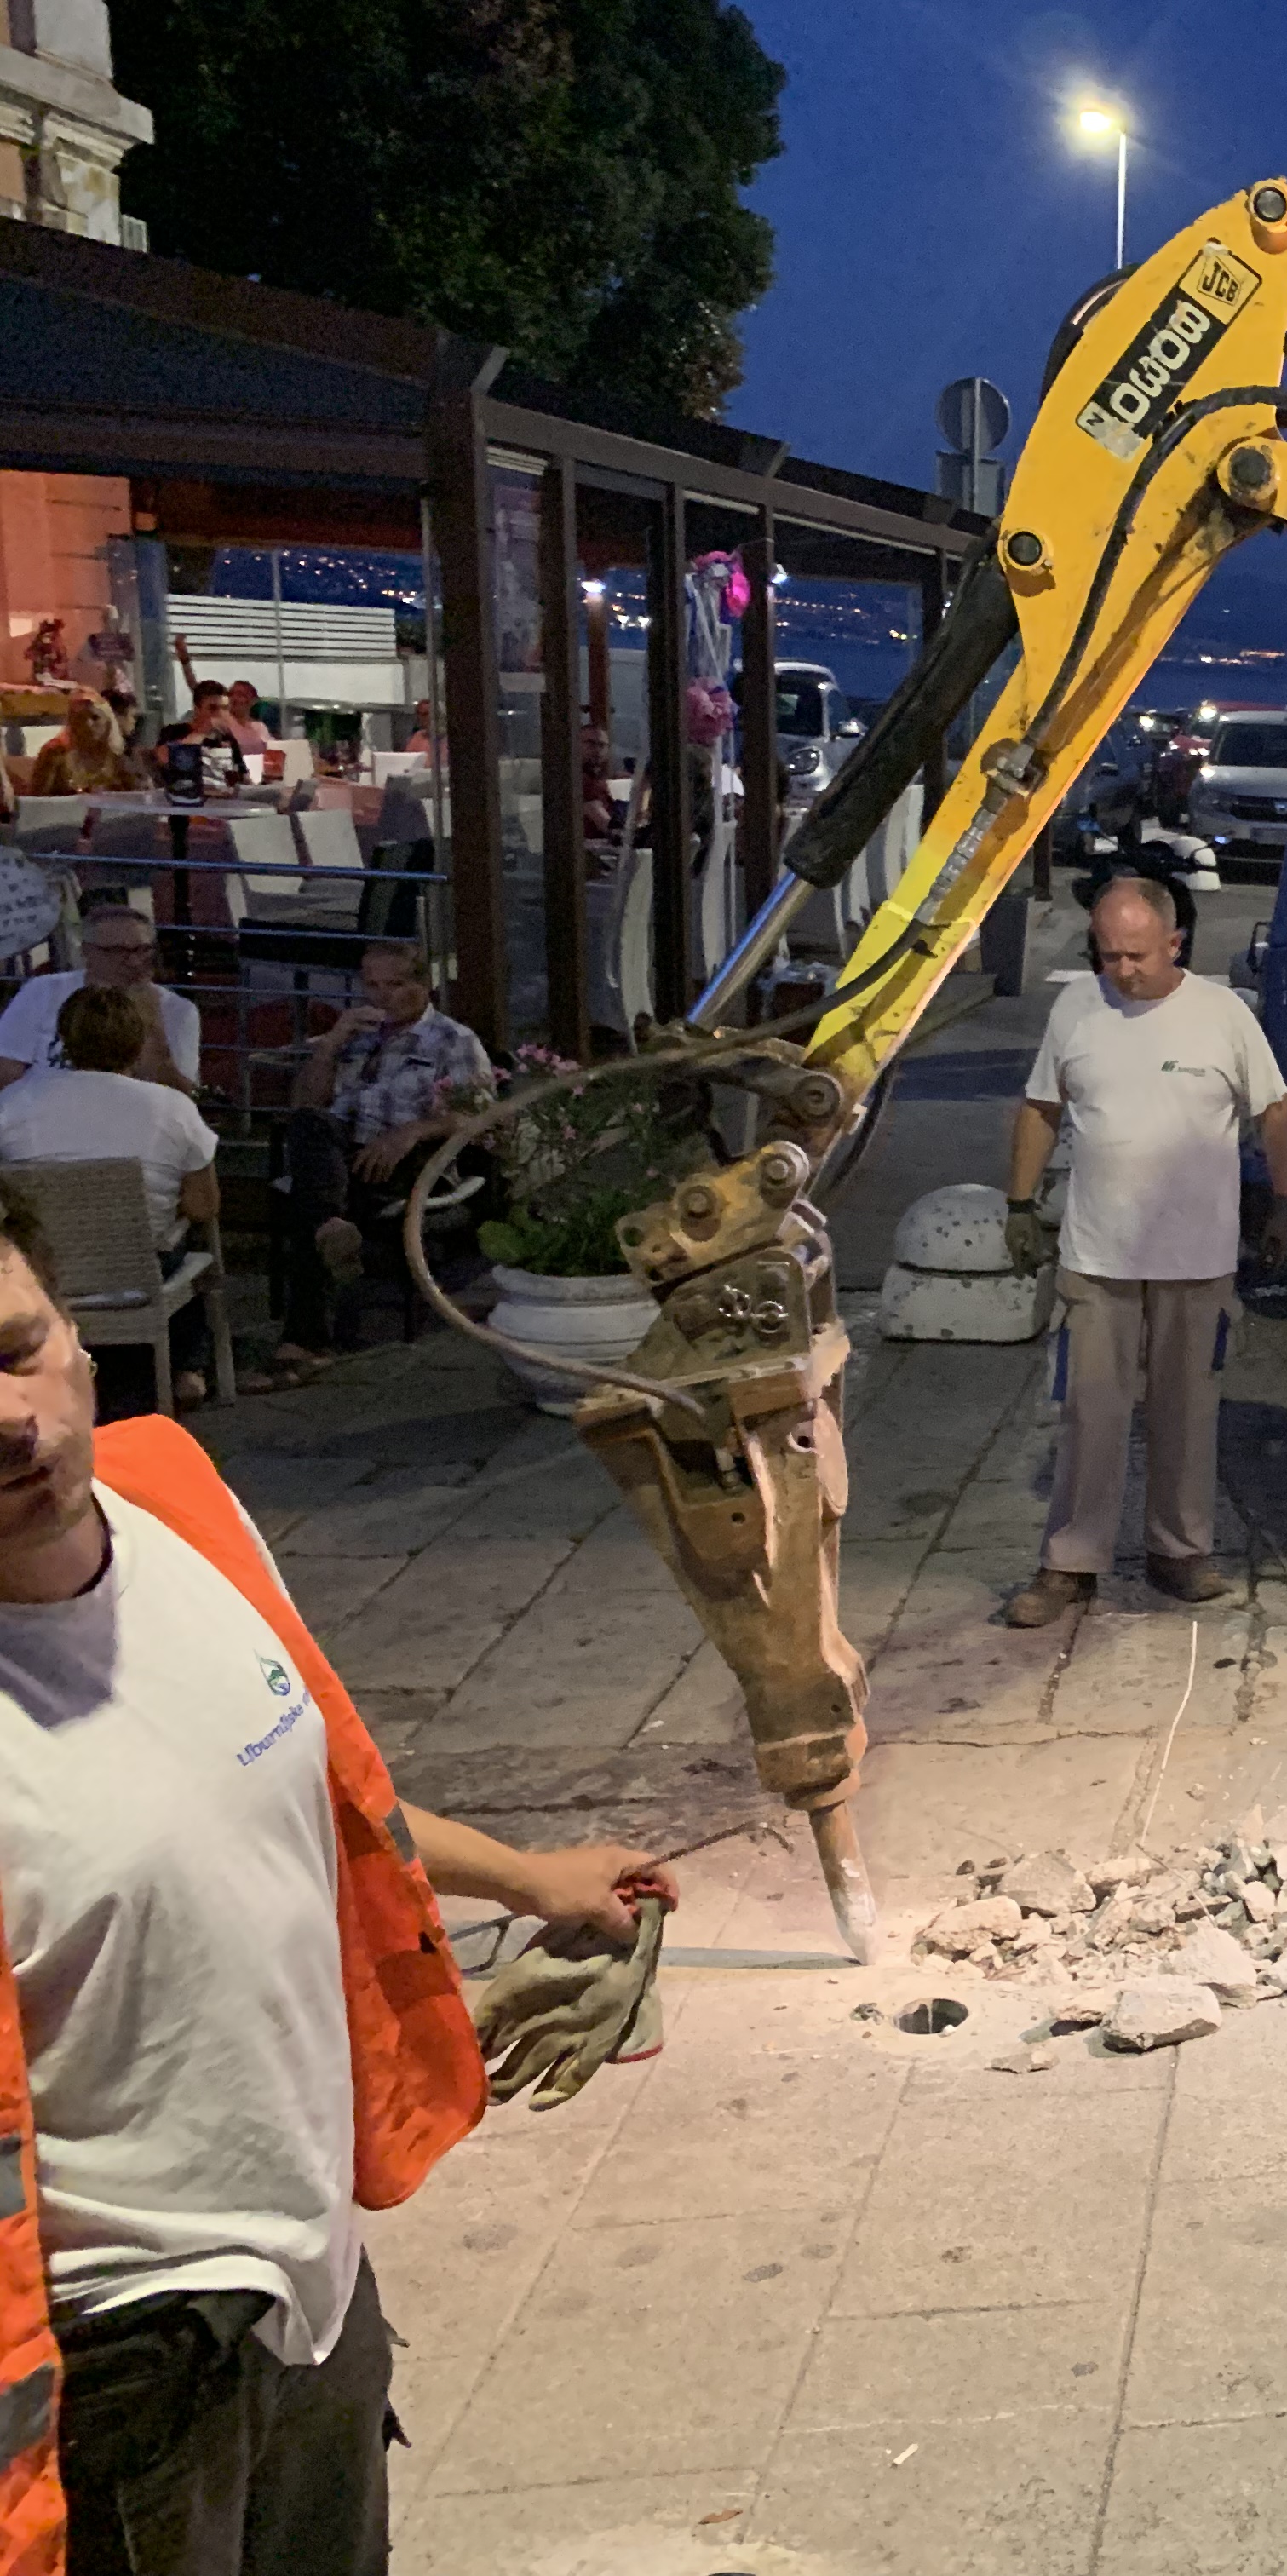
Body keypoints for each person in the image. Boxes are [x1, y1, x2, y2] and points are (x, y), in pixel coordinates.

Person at [0, 1176, 674, 2570]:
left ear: (74, 1335)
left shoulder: (180, 1505)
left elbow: (315, 1788)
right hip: (127, 2346)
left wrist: (528, 1875)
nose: (11, 1416)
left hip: (312, 2275)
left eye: (15, 1349)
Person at [1003, 877, 1287, 1622]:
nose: (1123, 971)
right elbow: (1042, 1108)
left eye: (1136, 955)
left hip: (1196, 1259)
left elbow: (1276, 1113)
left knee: (1187, 1412)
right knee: (1089, 1412)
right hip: (1098, 1257)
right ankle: (1069, 1565)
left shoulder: (1224, 1015)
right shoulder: (1077, 1007)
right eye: (1108, 955)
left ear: (1175, 944)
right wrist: (1017, 1201)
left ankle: (1179, 1551)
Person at [267, 943, 491, 1376]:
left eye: (396, 984)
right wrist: (331, 1045)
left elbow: (482, 1114)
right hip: (344, 1156)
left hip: (412, 1159)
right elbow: (305, 1104)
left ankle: (303, 1341)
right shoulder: (356, 1035)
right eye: (373, 985)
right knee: (313, 1132)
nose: (383, 995)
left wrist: (412, 1132)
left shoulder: (452, 1039)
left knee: (312, 1202)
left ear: (424, 985)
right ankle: (333, 1230)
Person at [0, 986, 223, 1407]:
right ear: (138, 1044)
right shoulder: (173, 1109)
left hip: (42, 1275)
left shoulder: (13, 1105)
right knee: (186, 1243)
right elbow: (203, 1206)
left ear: (63, 1040)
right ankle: (188, 1368)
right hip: (135, 1276)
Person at [0, 904, 203, 1096]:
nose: (133, 962)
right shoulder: (43, 991)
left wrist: (152, 1031)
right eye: (117, 951)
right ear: (87, 951)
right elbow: (6, 1069)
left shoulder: (177, 1011)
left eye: (143, 950)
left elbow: (181, 1096)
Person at [20, 699, 140, 800]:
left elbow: (139, 795)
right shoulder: (55, 753)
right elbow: (36, 801)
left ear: (109, 723)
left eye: (95, 718)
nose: (87, 723)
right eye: (80, 717)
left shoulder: (116, 757)